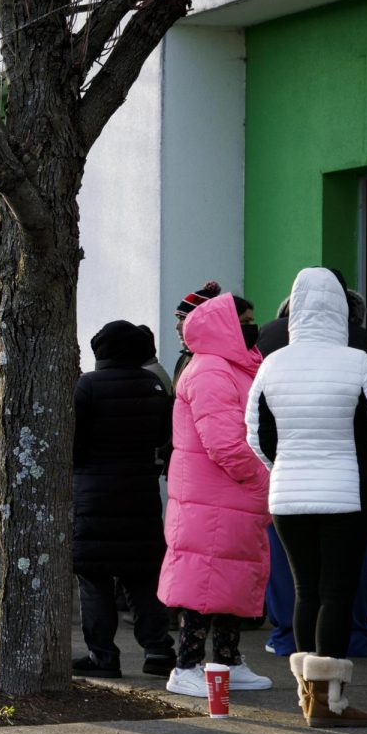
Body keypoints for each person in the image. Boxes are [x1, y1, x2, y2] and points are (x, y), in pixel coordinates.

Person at [246, 267, 367, 728]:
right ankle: (330, 702)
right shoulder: (358, 361)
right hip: (347, 494)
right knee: (338, 591)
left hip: (288, 496)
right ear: (341, 309)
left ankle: (307, 697)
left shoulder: (272, 364)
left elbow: (255, 435)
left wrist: (281, 471)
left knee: (304, 590)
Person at [158, 293, 273, 697]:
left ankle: (226, 661)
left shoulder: (235, 366)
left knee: (229, 580)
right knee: (202, 584)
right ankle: (186, 665)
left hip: (228, 496)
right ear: (225, 324)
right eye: (245, 319)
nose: (251, 326)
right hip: (216, 494)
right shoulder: (211, 369)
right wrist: (262, 479)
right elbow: (224, 444)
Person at [71, 321, 176, 678]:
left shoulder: (86, 385)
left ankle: (103, 655)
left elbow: (75, 443)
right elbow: (164, 437)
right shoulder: (156, 385)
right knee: (143, 575)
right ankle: (159, 651)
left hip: (93, 494)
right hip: (141, 494)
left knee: (94, 577)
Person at [171, 281, 222, 389]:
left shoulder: (216, 362)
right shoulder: (184, 358)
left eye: (184, 319)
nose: (177, 326)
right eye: (179, 318)